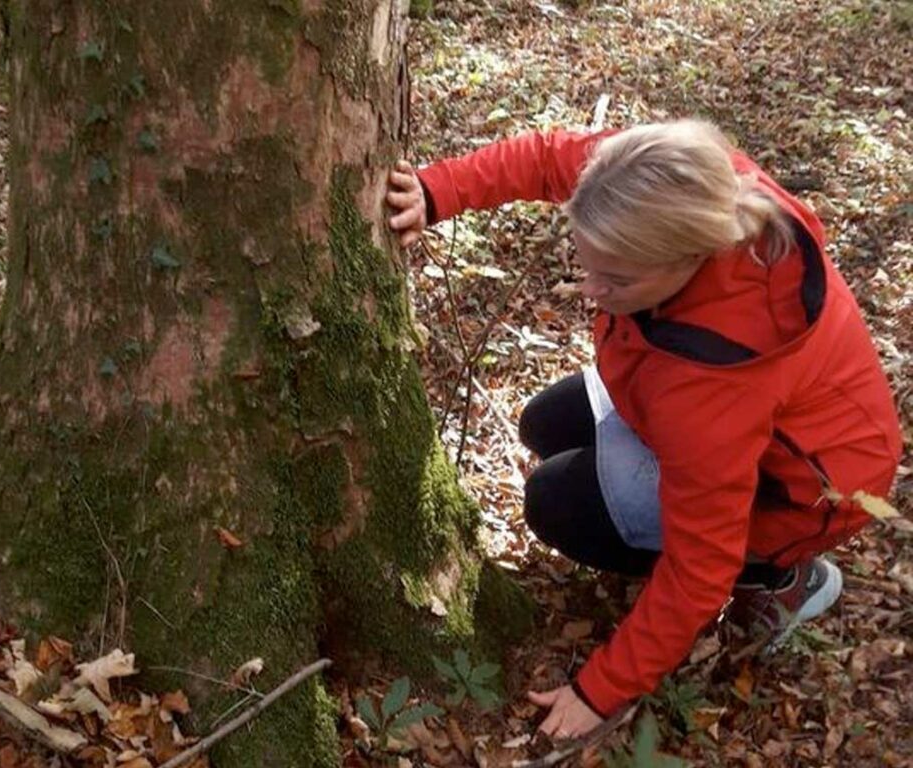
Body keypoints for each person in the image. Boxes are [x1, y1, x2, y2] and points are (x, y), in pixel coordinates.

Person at [385, 121, 902, 740]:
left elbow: (699, 565)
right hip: (719, 405)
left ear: (688, 259)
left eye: (618, 281)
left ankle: (777, 573)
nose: (594, 291)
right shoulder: (666, 182)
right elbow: (551, 157)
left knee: (555, 502)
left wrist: (601, 688)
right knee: (543, 424)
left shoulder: (711, 392)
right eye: (588, 266)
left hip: (806, 493)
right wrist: (438, 191)